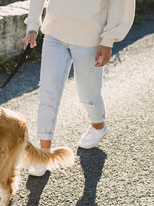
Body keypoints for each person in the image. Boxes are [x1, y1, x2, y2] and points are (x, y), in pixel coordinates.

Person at [23, 0, 135, 176]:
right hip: (55, 34)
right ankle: (43, 155)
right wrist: (32, 26)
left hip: (90, 39)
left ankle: (98, 126)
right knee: (48, 94)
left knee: (88, 94)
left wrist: (108, 41)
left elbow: (120, 3)